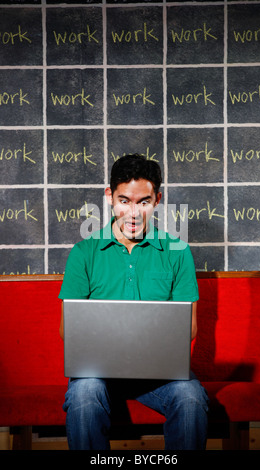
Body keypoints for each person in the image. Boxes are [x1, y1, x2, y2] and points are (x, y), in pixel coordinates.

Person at [58, 154, 209, 450]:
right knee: (84, 395)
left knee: (190, 397)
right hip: (96, 374)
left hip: (159, 375)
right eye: (124, 200)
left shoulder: (178, 251)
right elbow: (68, 330)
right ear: (109, 197)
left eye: (143, 202)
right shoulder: (83, 252)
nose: (133, 213)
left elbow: (188, 328)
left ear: (158, 200)